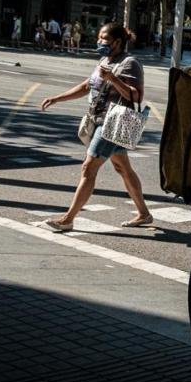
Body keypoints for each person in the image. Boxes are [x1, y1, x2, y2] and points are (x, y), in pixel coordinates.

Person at [38, 22, 154, 231]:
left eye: (104, 38)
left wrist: (113, 79)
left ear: (117, 42)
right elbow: (86, 86)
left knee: (88, 167)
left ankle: (68, 219)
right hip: (100, 120)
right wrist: (57, 98)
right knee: (123, 168)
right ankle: (144, 214)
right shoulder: (104, 59)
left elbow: (136, 95)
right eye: (100, 38)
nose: (99, 42)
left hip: (113, 122)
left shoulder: (130, 63)